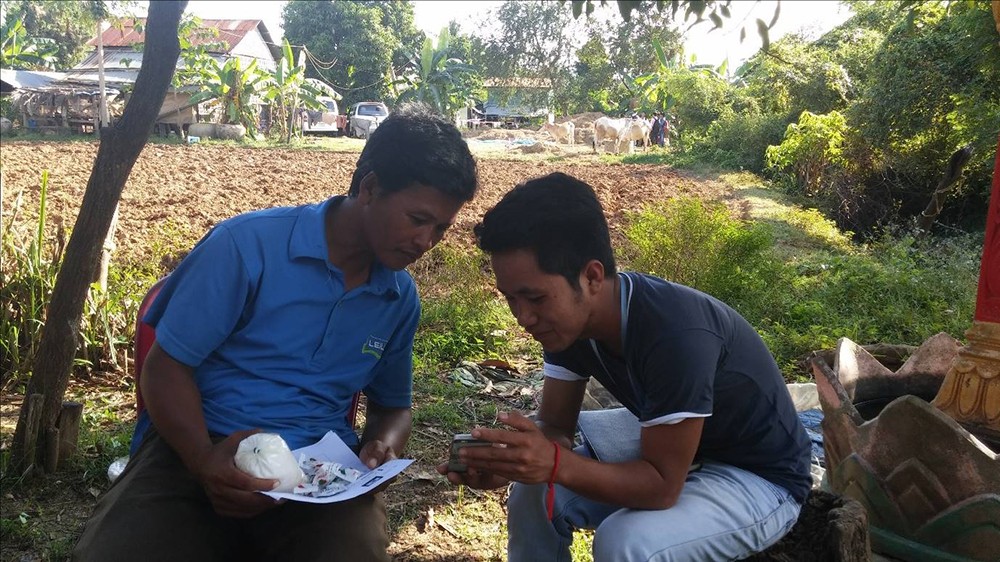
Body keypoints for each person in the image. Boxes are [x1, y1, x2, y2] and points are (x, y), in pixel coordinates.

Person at [73, 103, 479, 562]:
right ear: (369, 188)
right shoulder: (246, 248)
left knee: (352, 550)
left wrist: (382, 445)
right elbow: (164, 368)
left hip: (318, 476)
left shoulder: (397, 297)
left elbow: (393, 407)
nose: (425, 242)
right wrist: (203, 461)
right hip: (200, 446)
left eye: (441, 228)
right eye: (418, 219)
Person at [440, 172, 811, 561]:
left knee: (627, 541)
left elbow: (661, 486)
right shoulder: (568, 323)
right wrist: (508, 463)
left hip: (759, 476)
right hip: (680, 449)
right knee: (532, 493)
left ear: (592, 276)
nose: (523, 317)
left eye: (533, 298)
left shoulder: (674, 332)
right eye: (511, 299)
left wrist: (553, 463)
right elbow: (555, 428)